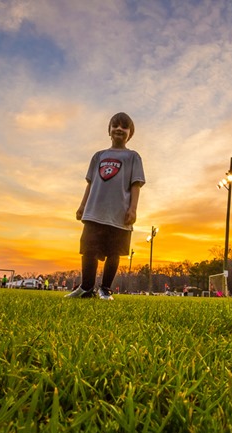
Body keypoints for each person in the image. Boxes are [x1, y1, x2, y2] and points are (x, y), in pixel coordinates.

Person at [65, 112, 145, 300]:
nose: (119, 129)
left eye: (124, 127)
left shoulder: (133, 157)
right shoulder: (99, 156)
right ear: (109, 130)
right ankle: (86, 288)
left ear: (130, 133)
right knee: (88, 249)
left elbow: (136, 184)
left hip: (118, 214)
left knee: (114, 252)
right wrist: (82, 205)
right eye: (115, 125)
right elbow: (91, 183)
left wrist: (133, 208)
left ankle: (105, 289)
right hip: (94, 212)